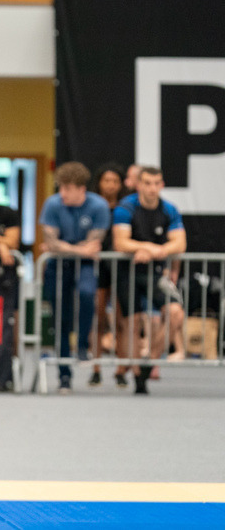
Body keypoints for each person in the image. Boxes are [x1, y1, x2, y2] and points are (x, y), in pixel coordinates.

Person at [112, 166, 186, 395]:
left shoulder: (169, 209)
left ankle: (149, 360)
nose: (152, 188)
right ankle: (137, 376)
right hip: (128, 272)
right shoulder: (126, 207)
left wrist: (154, 252)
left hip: (155, 273)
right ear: (139, 185)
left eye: (157, 183)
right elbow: (121, 243)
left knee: (175, 313)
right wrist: (148, 247)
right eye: (147, 183)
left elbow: (180, 244)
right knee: (132, 324)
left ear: (161, 185)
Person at [39, 162, 111, 394]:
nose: (62, 193)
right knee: (61, 318)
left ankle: (82, 345)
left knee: (88, 294)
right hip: (58, 266)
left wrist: (62, 246)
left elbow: (92, 243)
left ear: (81, 189)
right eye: (60, 188)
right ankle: (64, 377)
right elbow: (52, 243)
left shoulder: (98, 205)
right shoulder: (52, 204)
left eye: (67, 188)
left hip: (86, 266)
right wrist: (79, 249)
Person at [91, 163, 125, 387]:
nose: (110, 185)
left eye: (115, 181)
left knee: (122, 320)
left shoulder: (125, 208)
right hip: (99, 268)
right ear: (100, 183)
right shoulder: (92, 206)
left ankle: (122, 369)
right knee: (98, 318)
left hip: (121, 267)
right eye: (106, 180)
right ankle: (95, 368)